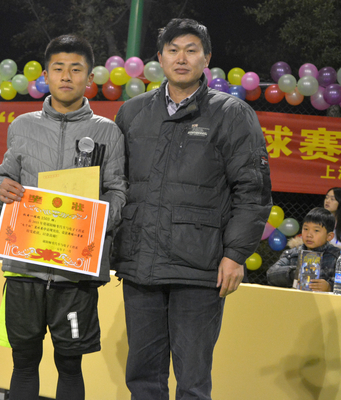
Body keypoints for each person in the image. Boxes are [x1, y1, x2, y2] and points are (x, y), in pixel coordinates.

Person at [113, 18, 272, 400]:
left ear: (207, 58)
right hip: (141, 267)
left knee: (193, 382)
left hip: (200, 270)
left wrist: (235, 255)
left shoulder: (232, 114)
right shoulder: (133, 112)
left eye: (191, 50)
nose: (181, 58)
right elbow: (114, 183)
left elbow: (252, 190)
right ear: (160, 58)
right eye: (173, 50)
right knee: (143, 378)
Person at [0, 34, 126, 400]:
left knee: (69, 364)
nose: (66, 76)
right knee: (23, 362)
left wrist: (94, 220)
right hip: (25, 267)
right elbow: (1, 179)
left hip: (76, 273)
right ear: (46, 75)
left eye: (76, 69)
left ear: (89, 78)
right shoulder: (22, 125)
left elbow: (118, 192)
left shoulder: (108, 131)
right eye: (59, 68)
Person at [267, 207, 341, 294]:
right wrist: (294, 273)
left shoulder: (337, 256)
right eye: (306, 229)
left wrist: (330, 286)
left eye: (316, 230)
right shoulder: (293, 253)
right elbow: (271, 274)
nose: (309, 235)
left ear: (329, 236)